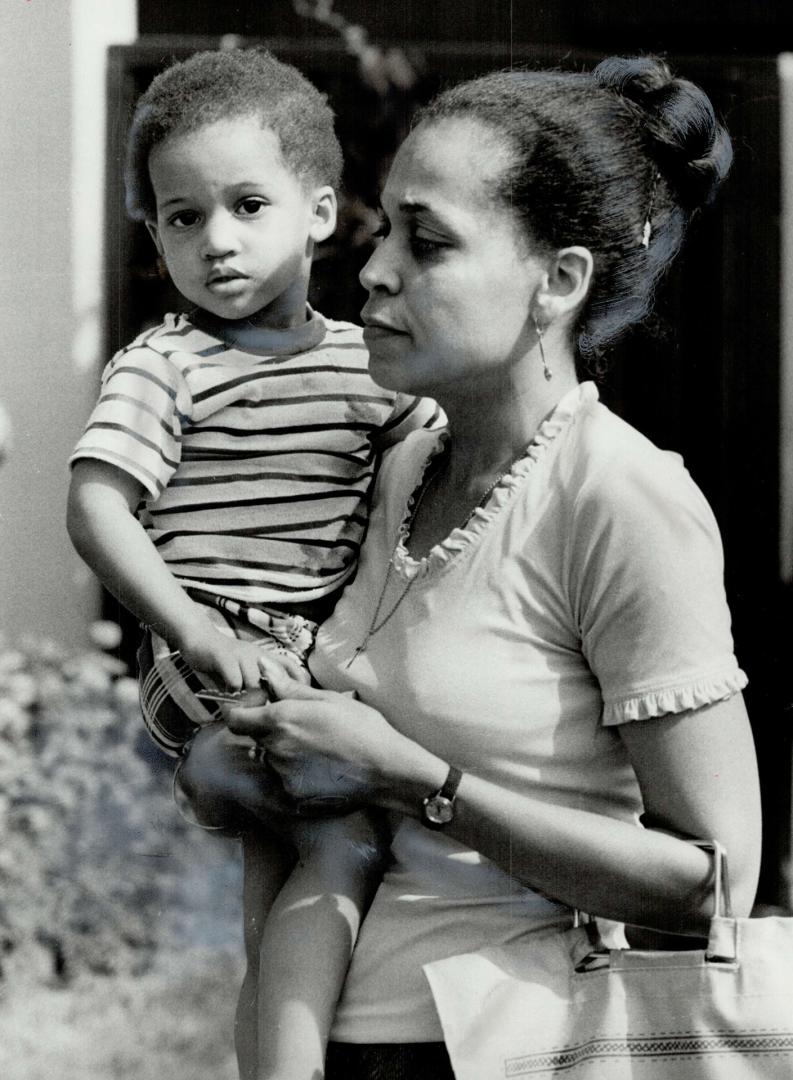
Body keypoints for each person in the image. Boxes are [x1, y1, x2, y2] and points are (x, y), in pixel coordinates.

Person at [218, 56, 762, 1080]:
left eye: (425, 242)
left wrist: (415, 777)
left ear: (557, 282)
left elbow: (713, 880)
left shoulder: (615, 496)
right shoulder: (393, 464)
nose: (375, 271)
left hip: (506, 1048)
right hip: (328, 1035)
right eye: (383, 231)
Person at [66, 47, 441, 1080]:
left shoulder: (368, 363)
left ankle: (270, 1051)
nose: (216, 242)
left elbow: (435, 463)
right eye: (182, 217)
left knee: (275, 883)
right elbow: (98, 505)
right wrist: (194, 632)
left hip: (314, 654)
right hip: (210, 652)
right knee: (345, 838)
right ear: (151, 233)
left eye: (245, 206)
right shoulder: (166, 363)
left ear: (321, 214)